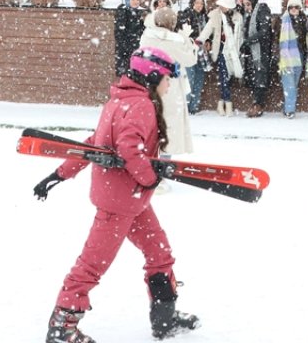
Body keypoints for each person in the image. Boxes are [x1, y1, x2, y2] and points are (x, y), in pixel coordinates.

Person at [34, 46, 200, 343]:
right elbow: (129, 149)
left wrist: (59, 175)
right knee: (91, 265)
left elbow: (93, 143)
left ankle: (165, 319)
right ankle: (62, 327)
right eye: (167, 77)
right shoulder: (140, 105)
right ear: (153, 75)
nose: (169, 84)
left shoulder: (120, 99)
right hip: (121, 202)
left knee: (159, 252)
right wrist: (150, 179)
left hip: (129, 199)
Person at [140, 7, 198, 158]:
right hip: (169, 87)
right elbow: (190, 60)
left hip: (149, 85)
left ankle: (148, 161)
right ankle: (163, 166)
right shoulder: (175, 40)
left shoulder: (147, 36)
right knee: (169, 126)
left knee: (149, 123)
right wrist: (188, 40)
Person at [198, 0, 244, 116]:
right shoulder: (215, 15)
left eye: (224, 5)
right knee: (224, 77)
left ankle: (220, 103)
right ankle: (228, 104)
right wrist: (199, 40)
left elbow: (240, 36)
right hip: (221, 51)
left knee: (228, 79)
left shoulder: (237, 17)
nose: (221, 7)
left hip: (233, 52)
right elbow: (207, 30)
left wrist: (238, 50)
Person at [240, 0, 275, 117]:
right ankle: (256, 103)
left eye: (248, 4)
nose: (246, 7)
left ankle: (258, 105)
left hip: (262, 52)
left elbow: (264, 31)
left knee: (260, 78)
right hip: (254, 53)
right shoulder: (249, 14)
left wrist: (249, 41)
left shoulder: (262, 10)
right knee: (254, 78)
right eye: (244, 5)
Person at [277, 0, 308, 119]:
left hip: (299, 56)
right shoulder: (282, 21)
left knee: (293, 84)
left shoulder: (304, 21)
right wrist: (279, 55)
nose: (294, 9)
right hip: (286, 57)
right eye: (291, 7)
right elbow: (277, 40)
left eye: (296, 7)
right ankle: (290, 110)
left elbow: (307, 40)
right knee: (289, 84)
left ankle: (287, 105)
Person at [177, 0, 209, 114]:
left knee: (199, 77)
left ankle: (194, 106)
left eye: (201, 3)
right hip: (190, 50)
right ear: (192, 3)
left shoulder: (204, 17)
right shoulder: (186, 15)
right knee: (189, 78)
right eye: (197, 3)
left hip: (201, 52)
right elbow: (183, 32)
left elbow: (208, 33)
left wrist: (208, 41)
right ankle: (186, 105)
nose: (199, 5)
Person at [113, 0, 145, 77]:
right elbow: (119, 34)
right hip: (125, 53)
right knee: (126, 79)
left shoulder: (139, 14)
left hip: (135, 52)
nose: (136, 1)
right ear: (128, 0)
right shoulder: (123, 12)